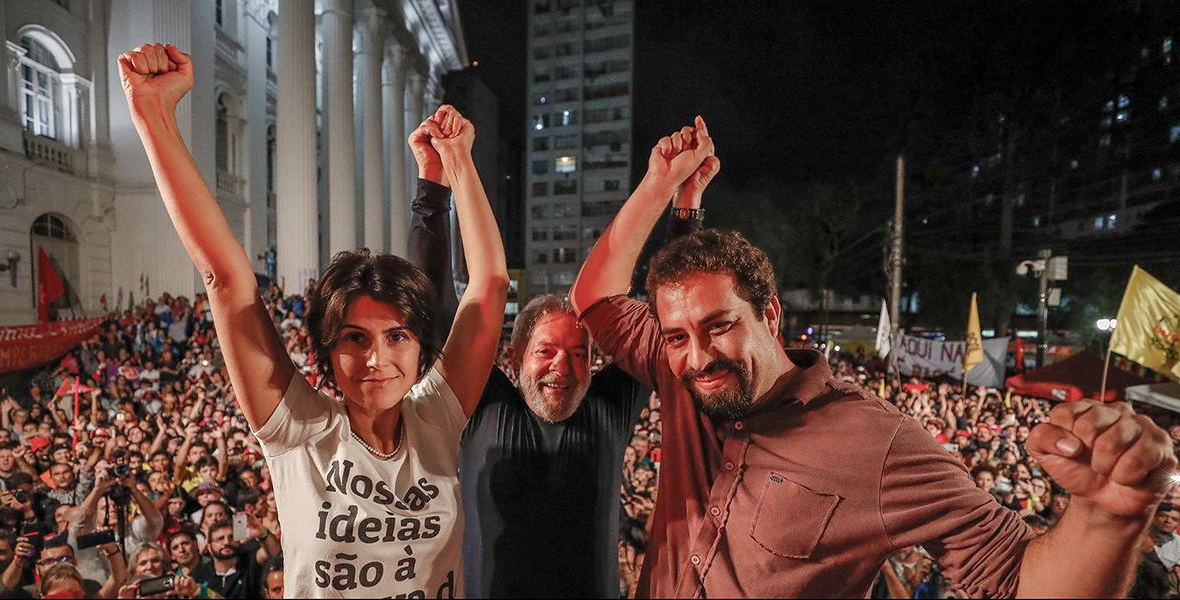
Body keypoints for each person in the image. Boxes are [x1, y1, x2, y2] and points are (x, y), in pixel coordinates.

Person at [569, 116, 1178, 597]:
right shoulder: (687, 384)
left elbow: (1017, 581)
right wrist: (661, 187)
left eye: (720, 327)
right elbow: (593, 296)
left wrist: (1107, 518)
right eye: (677, 337)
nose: (698, 357)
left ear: (772, 315)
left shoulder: (876, 442)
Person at [118, 42, 507, 597]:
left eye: (397, 336)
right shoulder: (297, 430)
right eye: (354, 338)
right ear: (325, 351)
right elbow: (226, 280)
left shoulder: (439, 419)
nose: (376, 359)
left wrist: (458, 161)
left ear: (421, 348)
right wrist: (153, 115)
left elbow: (488, 287)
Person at [401, 114, 708, 597]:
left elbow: (667, 316)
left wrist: (685, 207)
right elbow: (429, 312)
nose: (562, 369)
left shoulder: (610, 405)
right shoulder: (483, 404)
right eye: (545, 350)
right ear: (516, 353)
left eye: (579, 353)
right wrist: (432, 187)